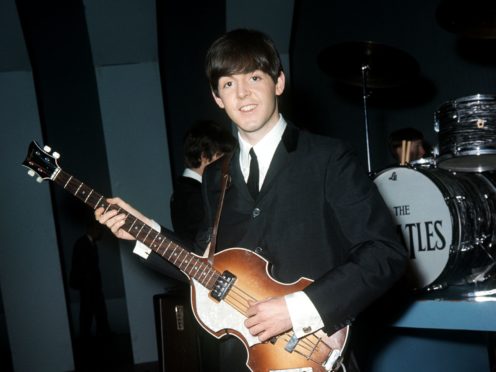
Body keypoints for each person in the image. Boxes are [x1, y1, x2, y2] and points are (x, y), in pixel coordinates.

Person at [95, 29, 408, 371]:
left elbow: (384, 252)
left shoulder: (328, 158)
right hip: (242, 358)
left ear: (279, 83)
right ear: (217, 98)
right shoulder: (215, 176)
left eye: (254, 77)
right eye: (228, 83)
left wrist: (298, 308)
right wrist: (142, 230)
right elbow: (204, 266)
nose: (242, 93)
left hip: (314, 352)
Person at [170, 119, 236, 247]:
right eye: (221, 157)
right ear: (204, 156)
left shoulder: (184, 190)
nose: (227, 164)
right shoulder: (193, 195)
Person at [69, 221, 112, 351]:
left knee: (94, 312)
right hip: (88, 286)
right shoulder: (83, 244)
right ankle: (89, 339)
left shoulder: (89, 243)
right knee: (89, 312)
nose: (100, 232)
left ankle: (99, 336)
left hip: (91, 286)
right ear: (92, 229)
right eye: (98, 230)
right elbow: (82, 267)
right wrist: (92, 286)